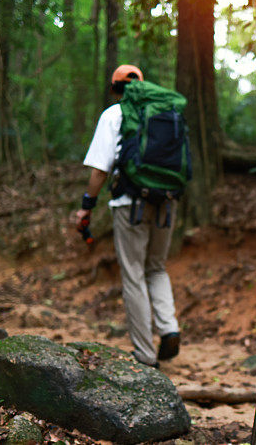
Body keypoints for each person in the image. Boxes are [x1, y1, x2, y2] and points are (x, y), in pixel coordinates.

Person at [76, 64, 180, 368]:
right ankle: (169, 327)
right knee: (156, 267)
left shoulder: (113, 115)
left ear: (115, 88)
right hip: (167, 201)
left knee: (133, 273)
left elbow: (99, 171)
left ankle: (146, 355)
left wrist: (86, 206)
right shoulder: (164, 113)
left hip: (129, 203)